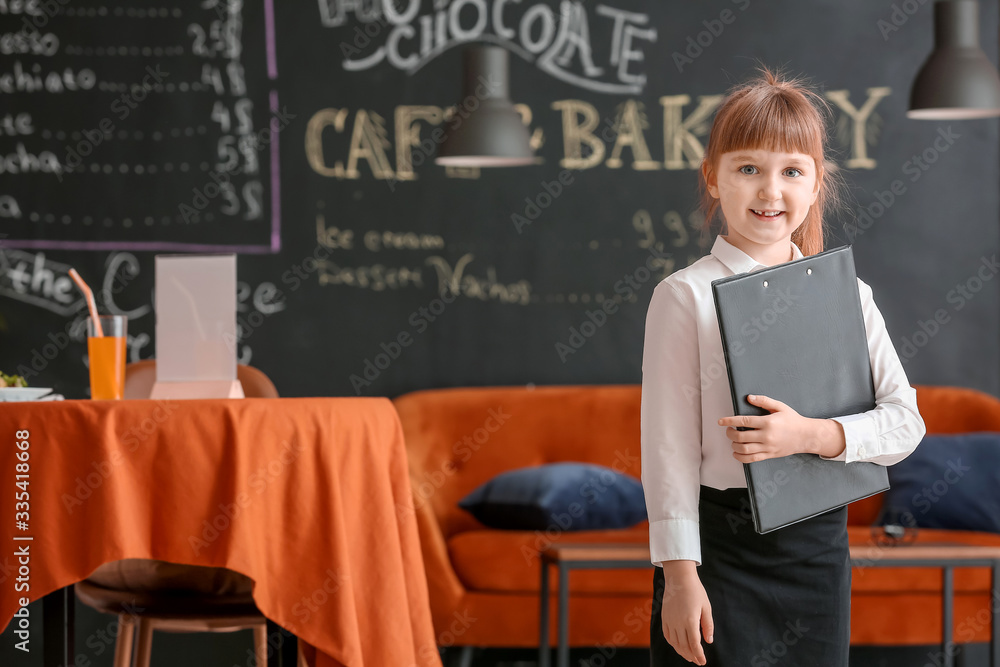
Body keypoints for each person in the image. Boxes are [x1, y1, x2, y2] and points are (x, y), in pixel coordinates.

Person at [640, 66, 927, 666]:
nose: (771, 192)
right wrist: (679, 577)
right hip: (719, 552)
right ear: (713, 179)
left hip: (818, 549)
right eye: (748, 169)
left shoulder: (848, 294)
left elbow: (905, 424)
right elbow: (666, 453)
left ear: (817, 183)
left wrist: (810, 435)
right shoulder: (684, 295)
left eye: (792, 171)